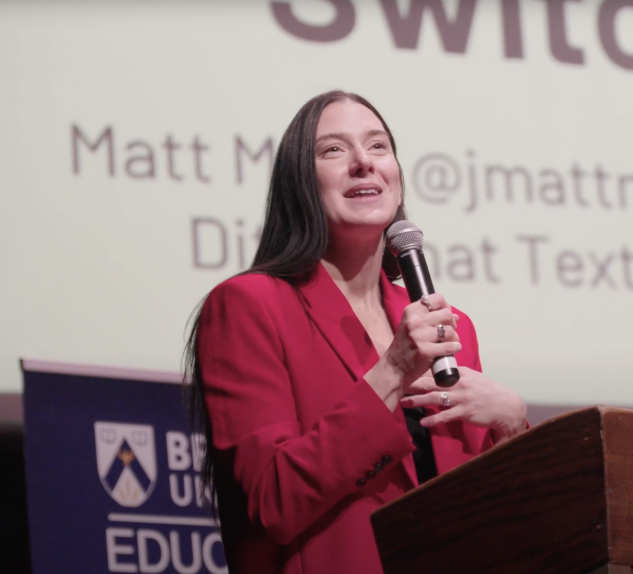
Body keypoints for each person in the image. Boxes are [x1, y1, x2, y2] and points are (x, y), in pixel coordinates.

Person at [183, 90, 528, 574]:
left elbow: (497, 518)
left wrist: (511, 426)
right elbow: (271, 501)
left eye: (379, 146)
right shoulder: (251, 306)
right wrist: (390, 374)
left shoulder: (449, 328)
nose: (364, 162)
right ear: (300, 182)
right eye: (334, 150)